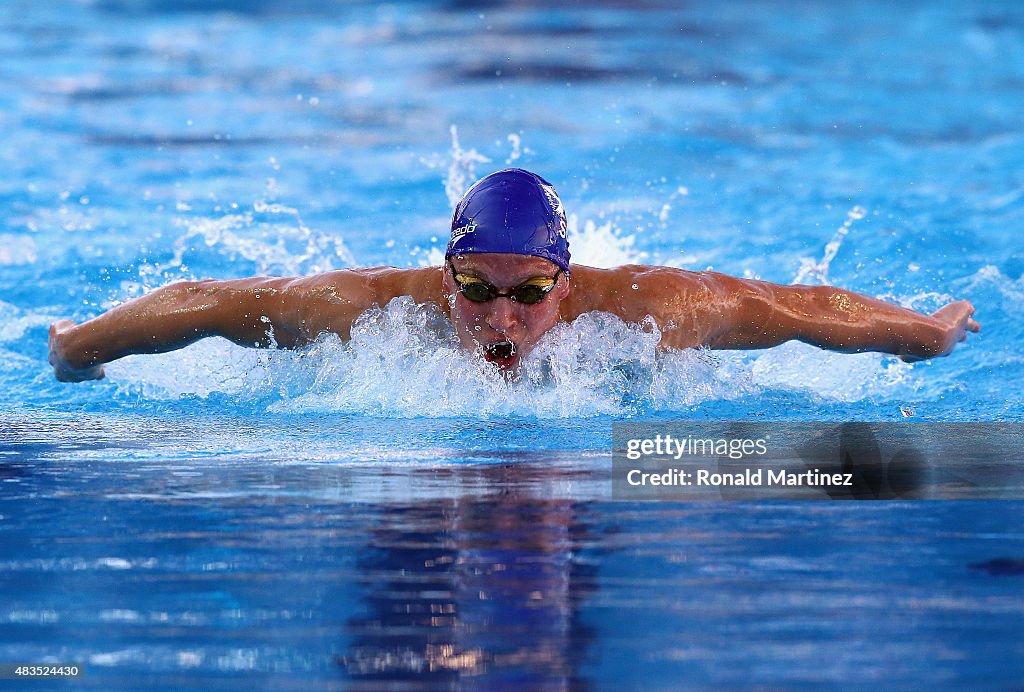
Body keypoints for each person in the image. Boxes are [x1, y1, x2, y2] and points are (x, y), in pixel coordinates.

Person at [48, 168, 979, 382]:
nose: (500, 317)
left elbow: (798, 307)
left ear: (565, 286)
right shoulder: (364, 312)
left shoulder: (652, 310)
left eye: (528, 292)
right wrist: (74, 351)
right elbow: (206, 304)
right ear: (442, 276)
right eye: (475, 290)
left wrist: (924, 333)